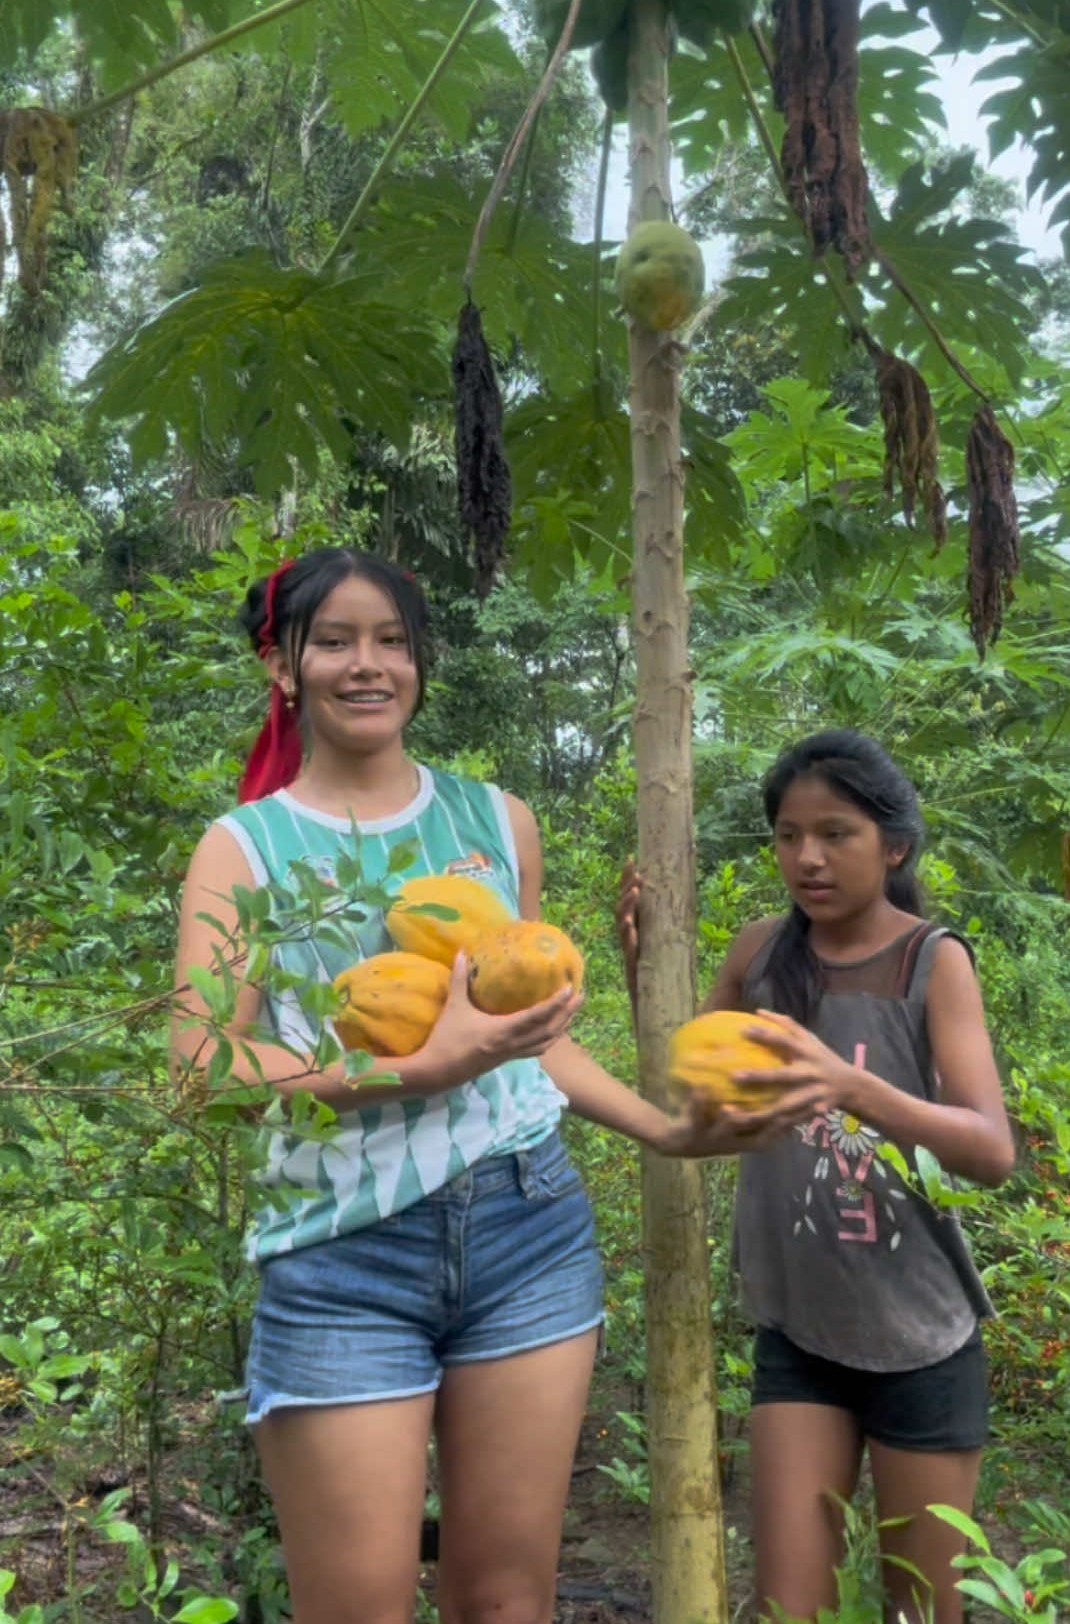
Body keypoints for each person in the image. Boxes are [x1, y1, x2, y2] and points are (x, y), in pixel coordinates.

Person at [171, 547, 751, 1624]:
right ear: (284, 666)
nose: (367, 664)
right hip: (343, 1254)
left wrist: (662, 1130)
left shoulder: (496, 821)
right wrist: (414, 1066)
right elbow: (203, 1068)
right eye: (335, 641)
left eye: (391, 641)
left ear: (421, 662)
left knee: (505, 1602)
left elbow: (528, 1043)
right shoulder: (243, 848)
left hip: (526, 1230)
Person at [617, 728, 1015, 1624]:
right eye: (790, 835)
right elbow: (689, 1085)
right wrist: (640, 966)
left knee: (920, 1611)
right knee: (787, 1607)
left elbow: (990, 1149)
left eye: (836, 833)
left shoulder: (931, 961)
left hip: (922, 1336)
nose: (808, 857)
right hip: (799, 1330)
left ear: (895, 843)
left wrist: (854, 1086)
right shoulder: (761, 954)